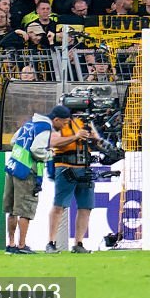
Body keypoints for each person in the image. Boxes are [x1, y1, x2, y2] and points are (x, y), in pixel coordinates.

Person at [2, 104, 56, 255]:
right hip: (27, 171)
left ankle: (11, 244)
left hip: (13, 166)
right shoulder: (44, 127)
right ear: (56, 119)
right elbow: (36, 150)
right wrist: (50, 154)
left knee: (12, 210)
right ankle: (21, 245)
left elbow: (13, 141)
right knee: (25, 210)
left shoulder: (28, 124)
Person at [46, 103, 99, 254]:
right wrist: (75, 137)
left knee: (86, 207)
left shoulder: (85, 122)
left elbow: (96, 140)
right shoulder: (59, 124)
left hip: (84, 167)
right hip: (65, 167)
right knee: (59, 206)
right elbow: (53, 142)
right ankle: (51, 242)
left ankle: (79, 243)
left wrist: (94, 138)